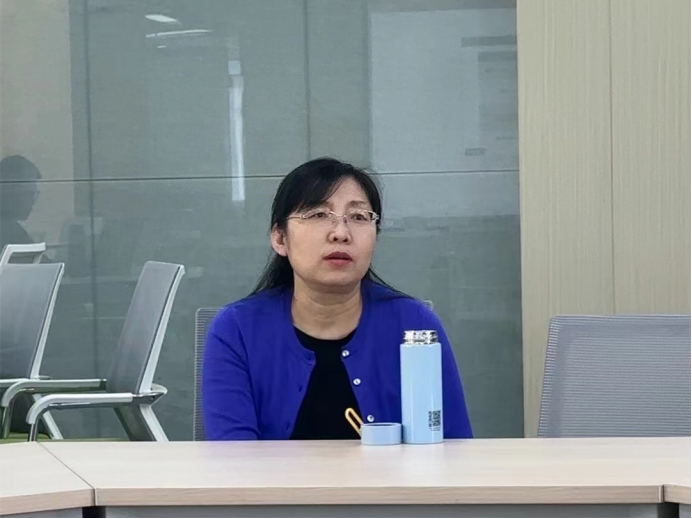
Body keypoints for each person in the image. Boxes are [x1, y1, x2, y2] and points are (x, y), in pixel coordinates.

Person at [202, 157, 472, 440]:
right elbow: (234, 457)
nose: (341, 233)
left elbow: (454, 447)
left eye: (359, 217)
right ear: (280, 238)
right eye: (318, 214)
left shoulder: (415, 324)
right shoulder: (237, 330)